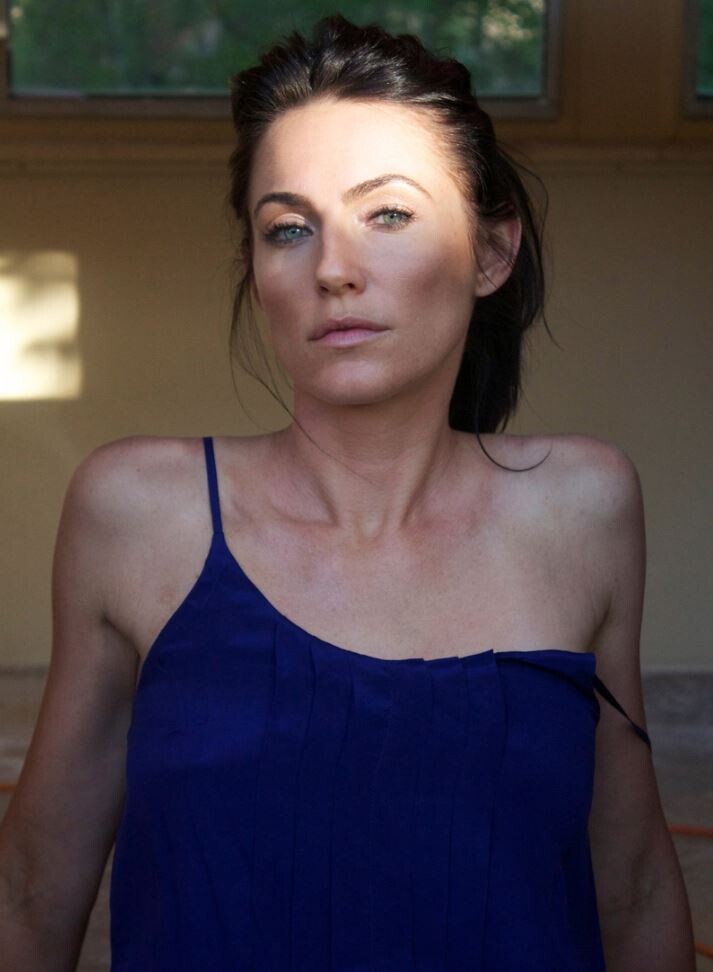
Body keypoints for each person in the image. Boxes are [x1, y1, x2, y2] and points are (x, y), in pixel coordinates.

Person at [0, 13, 695, 972]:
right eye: (288, 229)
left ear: (491, 253)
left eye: (389, 216)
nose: (332, 269)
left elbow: (636, 884)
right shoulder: (138, 512)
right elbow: (33, 886)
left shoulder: (581, 507)